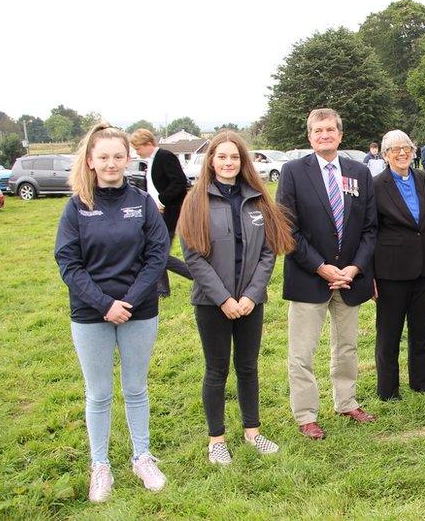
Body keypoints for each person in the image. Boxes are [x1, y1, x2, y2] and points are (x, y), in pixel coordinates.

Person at [55, 122, 169, 502]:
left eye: (118, 156)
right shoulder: (76, 207)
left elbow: (156, 255)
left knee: (136, 388)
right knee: (99, 394)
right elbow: (69, 264)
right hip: (91, 314)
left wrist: (130, 302)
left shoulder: (141, 202)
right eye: (103, 157)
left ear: (128, 158)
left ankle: (142, 456)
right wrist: (104, 304)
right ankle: (100, 466)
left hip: (139, 310)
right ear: (90, 160)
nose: (111, 163)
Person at [177, 130, 296, 465]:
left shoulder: (257, 198)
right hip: (212, 303)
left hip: (250, 302)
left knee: (248, 367)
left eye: (234, 157)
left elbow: (269, 251)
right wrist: (223, 299)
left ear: (243, 161)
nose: (228, 163)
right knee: (216, 370)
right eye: (222, 157)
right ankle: (216, 440)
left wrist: (252, 294)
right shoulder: (196, 200)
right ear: (211, 161)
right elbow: (193, 256)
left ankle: (252, 432)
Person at [276, 108, 378, 441]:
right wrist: (321, 266)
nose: (324, 135)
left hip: (349, 278)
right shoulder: (292, 172)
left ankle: (346, 402)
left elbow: (369, 228)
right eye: (318, 130)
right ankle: (306, 415)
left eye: (330, 129)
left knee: (347, 348)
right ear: (309, 136)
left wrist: (354, 267)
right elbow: (288, 230)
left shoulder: (359, 172)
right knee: (302, 353)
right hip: (310, 277)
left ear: (340, 134)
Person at [373, 130, 425, 400]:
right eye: (395, 149)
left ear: (413, 151)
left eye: (406, 148)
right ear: (385, 154)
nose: (402, 153)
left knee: (422, 328)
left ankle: (423, 382)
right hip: (391, 271)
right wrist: (370, 276)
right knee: (389, 333)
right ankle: (388, 390)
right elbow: (370, 230)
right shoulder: (376, 185)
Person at [129, 128, 193, 297]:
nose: (137, 152)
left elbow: (179, 182)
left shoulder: (165, 156)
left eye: (138, 148)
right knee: (156, 251)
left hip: (169, 213)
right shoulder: (151, 161)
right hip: (155, 213)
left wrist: (162, 201)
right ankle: (162, 290)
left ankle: (199, 277)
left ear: (148, 143)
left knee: (159, 254)